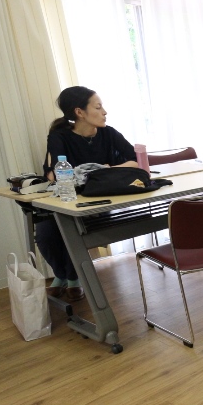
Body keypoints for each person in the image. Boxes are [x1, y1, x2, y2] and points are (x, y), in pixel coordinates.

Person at [38, 86, 138, 302]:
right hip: (67, 201)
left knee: (73, 229)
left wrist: (105, 171)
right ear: (79, 112)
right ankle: (62, 275)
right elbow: (54, 173)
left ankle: (71, 279)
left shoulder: (109, 133)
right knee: (44, 233)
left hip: (100, 200)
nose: (104, 112)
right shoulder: (59, 136)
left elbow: (135, 161)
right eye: (98, 107)